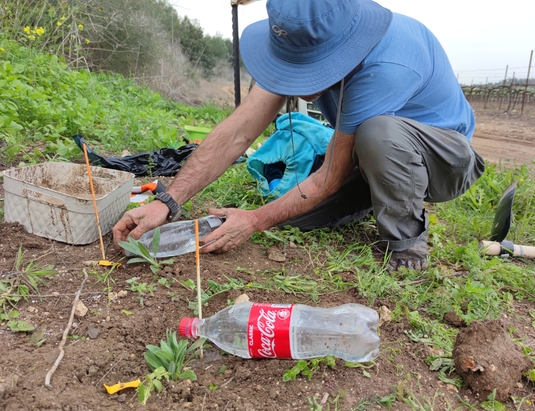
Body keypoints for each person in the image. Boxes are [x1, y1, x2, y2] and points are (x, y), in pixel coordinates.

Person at [113, 0, 485, 271]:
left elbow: (328, 177)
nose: (298, 84)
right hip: (371, 153)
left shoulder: (386, 67)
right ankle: (376, 192)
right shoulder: (305, 36)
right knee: (294, 216)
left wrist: (255, 220)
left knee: (378, 133)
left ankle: (407, 243)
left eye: (309, 69)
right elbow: (238, 132)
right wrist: (168, 200)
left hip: (443, 162)